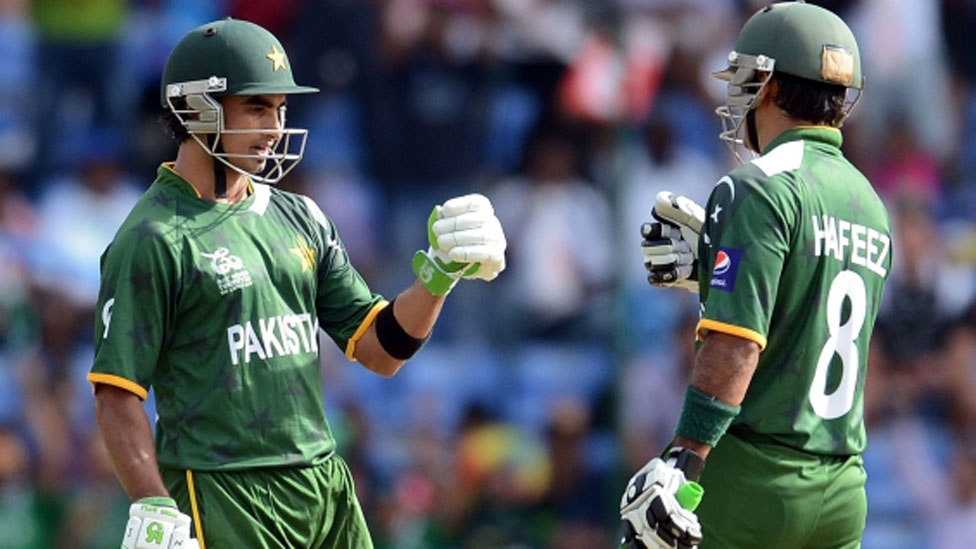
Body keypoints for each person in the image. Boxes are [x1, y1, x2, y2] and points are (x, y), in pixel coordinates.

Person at [88, 18, 506, 549]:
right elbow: (116, 392)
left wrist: (439, 275)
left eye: (281, 108)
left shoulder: (301, 216)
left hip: (322, 484)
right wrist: (152, 502)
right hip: (223, 489)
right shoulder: (152, 237)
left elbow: (380, 349)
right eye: (257, 108)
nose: (275, 127)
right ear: (195, 109)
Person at [619, 3, 891, 548]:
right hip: (842, 484)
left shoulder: (757, 185)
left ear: (768, 85)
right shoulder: (869, 200)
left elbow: (737, 345)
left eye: (745, 78)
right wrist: (714, 272)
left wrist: (685, 458)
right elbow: (806, 314)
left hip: (754, 482)